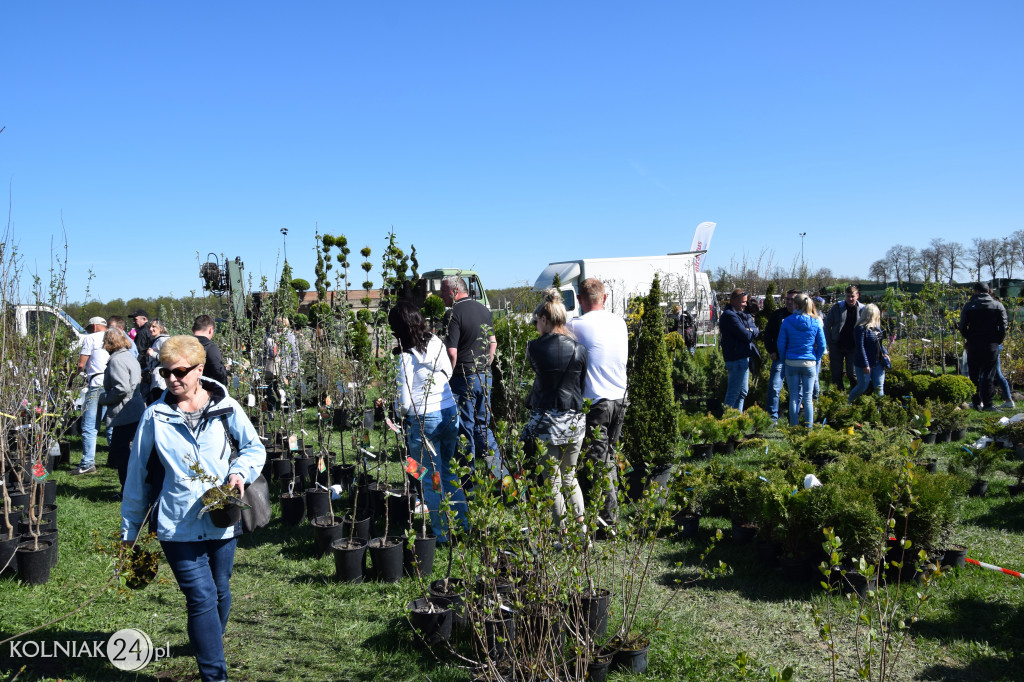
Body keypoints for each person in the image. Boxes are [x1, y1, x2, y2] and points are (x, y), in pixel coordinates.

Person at [121, 335, 266, 682]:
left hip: (221, 517)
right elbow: (136, 475)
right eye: (165, 372)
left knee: (220, 588)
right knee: (200, 596)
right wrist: (130, 531)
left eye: (180, 372)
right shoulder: (155, 416)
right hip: (176, 523)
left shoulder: (226, 407)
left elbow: (254, 448)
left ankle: (209, 639)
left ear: (199, 369)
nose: (172, 379)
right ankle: (214, 675)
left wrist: (238, 472)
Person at [388, 301, 467, 542]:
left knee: (429, 476)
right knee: (448, 472)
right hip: (448, 413)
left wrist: (397, 414)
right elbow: (449, 372)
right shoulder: (436, 342)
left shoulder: (405, 356)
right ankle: (462, 524)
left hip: (424, 420)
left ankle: (442, 533)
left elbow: (403, 399)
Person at [526, 289, 588, 536]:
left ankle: (561, 532)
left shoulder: (535, 348)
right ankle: (582, 529)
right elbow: (580, 384)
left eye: (536, 322)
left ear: (544, 319)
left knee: (552, 480)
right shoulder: (579, 349)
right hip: (574, 420)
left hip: (547, 422)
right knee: (570, 477)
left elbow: (539, 374)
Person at [569, 277, 628, 526]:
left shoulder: (577, 325)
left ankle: (608, 520)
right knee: (609, 457)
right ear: (604, 298)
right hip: (620, 398)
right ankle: (607, 513)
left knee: (601, 462)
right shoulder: (619, 322)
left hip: (596, 402)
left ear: (580, 300)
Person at [440, 275, 504, 478]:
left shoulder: (452, 314)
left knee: (465, 429)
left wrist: (447, 378)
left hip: (463, 378)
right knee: (483, 428)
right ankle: (504, 478)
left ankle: (467, 482)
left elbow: (452, 352)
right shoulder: (484, 310)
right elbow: (492, 343)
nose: (441, 297)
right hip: (484, 375)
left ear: (453, 291)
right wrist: (486, 364)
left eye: (443, 293)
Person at [98, 329, 144, 491]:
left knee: (122, 453)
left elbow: (121, 388)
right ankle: (132, 488)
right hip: (135, 408)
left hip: (125, 412)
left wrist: (103, 399)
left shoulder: (116, 361)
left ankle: (128, 490)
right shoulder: (129, 356)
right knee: (127, 452)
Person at [777, 294, 826, 427]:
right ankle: (809, 428)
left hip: (791, 361)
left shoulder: (787, 321)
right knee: (808, 398)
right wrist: (816, 358)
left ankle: (794, 427)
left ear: (796, 305)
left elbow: (781, 344)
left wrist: (784, 358)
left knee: (794, 397)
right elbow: (822, 345)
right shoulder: (816, 321)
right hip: (809, 362)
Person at [960, 282, 1008, 411]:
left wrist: (969, 338)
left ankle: (976, 402)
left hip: (974, 344)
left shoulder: (969, 306)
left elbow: (962, 326)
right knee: (989, 374)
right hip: (991, 344)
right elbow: (1004, 327)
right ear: (988, 291)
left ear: (975, 291)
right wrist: (997, 340)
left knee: (973, 374)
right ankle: (988, 404)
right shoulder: (998, 306)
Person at [72, 317, 111, 475]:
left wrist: (71, 378)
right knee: (109, 423)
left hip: (96, 384)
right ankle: (115, 459)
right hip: (110, 383)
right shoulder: (113, 337)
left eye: (88, 328)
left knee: (89, 425)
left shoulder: (91, 338)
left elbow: (81, 364)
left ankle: (87, 462)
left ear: (94, 326)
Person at [718, 289, 760, 412]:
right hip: (736, 359)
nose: (745, 305)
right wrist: (751, 331)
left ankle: (738, 420)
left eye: (746, 302)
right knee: (733, 393)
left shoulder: (741, 315)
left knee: (742, 392)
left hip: (743, 357)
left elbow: (753, 330)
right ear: (734, 300)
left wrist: (751, 330)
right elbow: (746, 336)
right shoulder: (729, 316)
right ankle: (727, 422)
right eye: (743, 302)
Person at [763, 289, 800, 423]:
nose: (789, 302)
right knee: (774, 386)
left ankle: (794, 417)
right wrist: (771, 350)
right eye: (787, 299)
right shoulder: (778, 315)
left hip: (796, 358)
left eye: (793, 299)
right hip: (780, 357)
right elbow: (768, 334)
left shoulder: (802, 316)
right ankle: (772, 418)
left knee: (796, 390)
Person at [824, 286, 865, 391]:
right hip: (837, 344)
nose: (850, 299)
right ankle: (839, 396)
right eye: (848, 296)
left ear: (857, 296)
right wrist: (830, 341)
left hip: (853, 346)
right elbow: (827, 325)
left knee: (852, 373)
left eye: (852, 296)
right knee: (836, 373)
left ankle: (854, 394)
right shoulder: (837, 308)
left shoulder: (863, 309)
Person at [848, 304, 889, 402]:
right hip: (865, 363)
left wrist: (885, 353)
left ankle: (879, 410)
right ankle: (848, 402)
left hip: (878, 362)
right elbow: (860, 347)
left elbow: (879, 343)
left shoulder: (876, 328)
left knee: (879, 386)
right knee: (862, 386)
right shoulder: (860, 328)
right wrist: (865, 364)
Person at [193, 315, 229, 386]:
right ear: (210, 330)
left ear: (193, 329)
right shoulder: (210, 347)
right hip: (206, 391)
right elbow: (218, 372)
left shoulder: (184, 345)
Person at [144, 319, 171, 402]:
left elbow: (169, 358)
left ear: (161, 328)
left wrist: (153, 354)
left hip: (160, 380)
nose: (151, 329)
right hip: (158, 378)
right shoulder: (158, 340)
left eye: (154, 326)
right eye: (150, 327)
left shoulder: (162, 340)